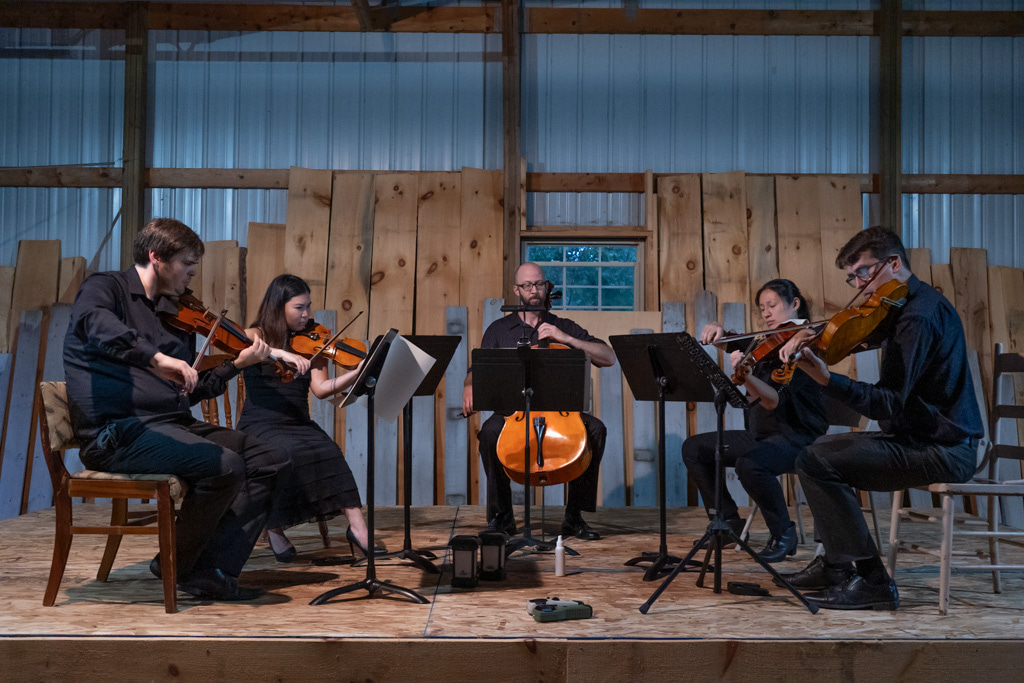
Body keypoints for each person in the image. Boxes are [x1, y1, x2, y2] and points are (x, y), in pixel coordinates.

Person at [63, 218, 293, 601]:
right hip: (117, 433)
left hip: (170, 423)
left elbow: (188, 391)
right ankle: (181, 563)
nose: (192, 272)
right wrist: (155, 358)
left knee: (270, 459)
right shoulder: (105, 289)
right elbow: (95, 323)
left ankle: (207, 569)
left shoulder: (174, 312)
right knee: (224, 465)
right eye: (187, 263)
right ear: (156, 257)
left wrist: (236, 365)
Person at [777, 226, 984, 610]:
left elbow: (887, 403)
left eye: (863, 272)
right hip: (918, 439)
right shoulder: (902, 306)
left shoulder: (919, 317)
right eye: (852, 277)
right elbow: (859, 332)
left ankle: (874, 582)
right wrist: (811, 333)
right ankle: (837, 566)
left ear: (893, 263)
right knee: (817, 450)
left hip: (945, 449)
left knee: (815, 459)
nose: (859, 284)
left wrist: (826, 379)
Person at [462, 262, 616, 540]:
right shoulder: (499, 329)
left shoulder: (563, 325)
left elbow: (608, 357)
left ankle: (574, 517)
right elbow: (478, 368)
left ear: (547, 287)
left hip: (559, 412)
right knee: (489, 433)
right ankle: (502, 517)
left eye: (539, 284)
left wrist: (566, 338)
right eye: (527, 285)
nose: (534, 290)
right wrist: (470, 384)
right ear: (516, 290)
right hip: (513, 412)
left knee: (596, 429)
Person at [684, 279, 828, 562]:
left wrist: (746, 376)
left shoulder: (806, 345)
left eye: (772, 305)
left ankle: (783, 533)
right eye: (762, 308)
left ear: (794, 304)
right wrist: (717, 328)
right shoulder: (765, 342)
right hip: (762, 435)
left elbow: (772, 400)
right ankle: (727, 522)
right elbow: (732, 341)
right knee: (695, 448)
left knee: (750, 463)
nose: (766, 313)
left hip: (797, 438)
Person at [237, 274, 378, 561]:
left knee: (328, 450)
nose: (306, 314)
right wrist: (281, 353)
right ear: (279, 307)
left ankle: (358, 529)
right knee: (282, 453)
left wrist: (355, 375)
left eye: (308, 307)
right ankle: (275, 529)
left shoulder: (313, 341)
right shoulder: (255, 335)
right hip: (260, 423)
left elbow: (322, 389)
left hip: (297, 422)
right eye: (299, 307)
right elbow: (241, 341)